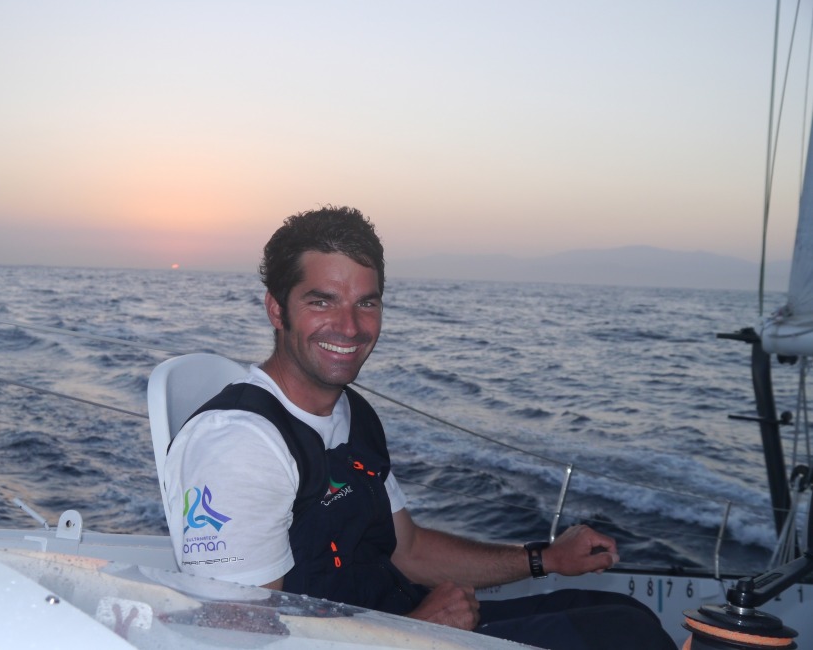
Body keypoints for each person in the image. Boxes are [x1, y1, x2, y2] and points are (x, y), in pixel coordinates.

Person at [164, 206, 676, 649]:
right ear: (277, 309)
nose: (350, 326)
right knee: (627, 638)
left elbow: (406, 549)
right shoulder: (241, 445)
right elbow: (236, 637)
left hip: (397, 620)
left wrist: (546, 558)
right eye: (322, 301)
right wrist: (414, 631)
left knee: (627, 615)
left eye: (366, 302)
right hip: (391, 636)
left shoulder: (353, 413)